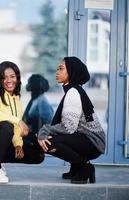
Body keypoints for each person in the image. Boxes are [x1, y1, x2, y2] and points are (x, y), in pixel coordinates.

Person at [0, 61, 44, 183]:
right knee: (7, 125)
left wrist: (18, 144)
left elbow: (15, 126)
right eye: (4, 77)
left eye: (12, 76)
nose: (9, 80)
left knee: (37, 154)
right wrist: (19, 120)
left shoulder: (16, 98)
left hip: (3, 137)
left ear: (17, 78)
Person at [37, 56, 105, 184]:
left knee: (48, 142)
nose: (57, 72)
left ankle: (84, 167)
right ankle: (77, 167)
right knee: (51, 137)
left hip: (93, 142)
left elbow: (69, 127)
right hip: (90, 140)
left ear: (71, 72)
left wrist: (45, 130)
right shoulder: (73, 89)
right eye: (58, 68)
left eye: (61, 69)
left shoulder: (72, 93)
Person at [23, 74, 54, 143]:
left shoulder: (42, 102)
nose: (27, 85)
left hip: (36, 140)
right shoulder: (34, 99)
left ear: (35, 85)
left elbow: (47, 123)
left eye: (29, 82)